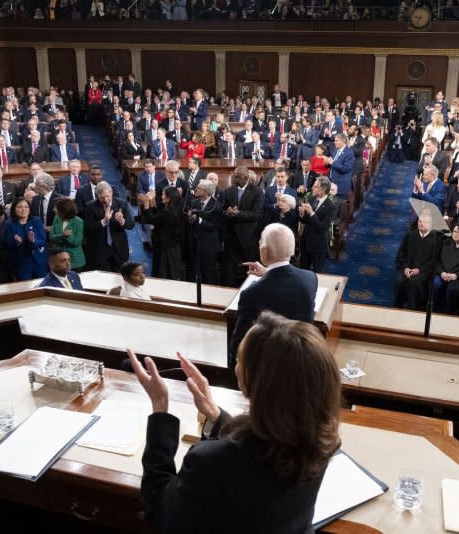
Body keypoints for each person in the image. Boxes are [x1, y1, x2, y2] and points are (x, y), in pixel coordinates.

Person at [129, 310, 341, 533]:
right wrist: (216, 415)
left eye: (240, 359)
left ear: (255, 382)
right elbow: (259, 446)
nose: (235, 366)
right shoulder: (323, 436)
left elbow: (161, 514)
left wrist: (160, 408)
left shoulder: (210, 462)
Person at [230, 223, 317, 365]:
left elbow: (238, 345)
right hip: (302, 360)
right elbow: (286, 283)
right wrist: (268, 272)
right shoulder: (310, 278)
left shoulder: (251, 293)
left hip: (268, 368)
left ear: (264, 251)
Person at [84, 181, 135, 272]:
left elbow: (131, 224)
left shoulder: (122, 204)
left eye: (107, 196)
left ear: (111, 192)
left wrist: (122, 221)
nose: (106, 200)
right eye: (102, 197)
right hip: (99, 250)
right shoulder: (90, 206)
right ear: (97, 195)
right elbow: (88, 227)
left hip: (119, 248)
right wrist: (104, 221)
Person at [394, 214, 440, 311]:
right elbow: (401, 254)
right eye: (420, 221)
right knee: (399, 281)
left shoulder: (436, 239)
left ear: (431, 225)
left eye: (425, 222)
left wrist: (419, 270)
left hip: (424, 271)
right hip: (407, 268)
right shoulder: (410, 235)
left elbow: (434, 260)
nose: (421, 224)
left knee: (415, 282)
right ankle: (397, 307)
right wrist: (405, 268)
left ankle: (414, 309)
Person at [141, 186, 185, 280]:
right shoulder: (177, 209)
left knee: (164, 274)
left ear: (168, 198)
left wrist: (146, 205)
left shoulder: (167, 212)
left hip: (165, 249)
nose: (162, 196)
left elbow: (151, 219)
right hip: (174, 247)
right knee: (172, 273)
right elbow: (157, 214)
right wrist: (152, 202)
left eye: (164, 194)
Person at [298, 177, 336, 273]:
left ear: (323, 189)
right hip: (306, 242)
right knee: (303, 271)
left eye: (315, 187)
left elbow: (323, 227)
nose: (312, 188)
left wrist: (311, 213)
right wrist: (302, 214)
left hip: (319, 245)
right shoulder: (312, 199)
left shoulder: (331, 206)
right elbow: (305, 220)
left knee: (318, 273)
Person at [3, 199, 48, 281]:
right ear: (14, 209)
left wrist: (33, 241)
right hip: (21, 262)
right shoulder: (9, 224)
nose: (23, 209)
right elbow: (7, 243)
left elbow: (43, 240)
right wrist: (17, 243)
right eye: (20, 207)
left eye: (26, 207)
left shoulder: (36, 221)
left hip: (39, 261)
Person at [433, 223, 459, 314]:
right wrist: (441, 272)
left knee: (452, 289)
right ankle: (434, 310)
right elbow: (437, 261)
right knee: (436, 283)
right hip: (442, 274)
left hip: (457, 277)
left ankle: (448, 313)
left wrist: (456, 275)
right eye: (454, 231)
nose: (456, 234)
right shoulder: (444, 243)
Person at [49, 197, 86, 272]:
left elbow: (76, 242)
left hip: (75, 261)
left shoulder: (78, 222)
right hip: (59, 260)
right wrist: (63, 235)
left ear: (63, 210)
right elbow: (51, 237)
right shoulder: (56, 218)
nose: (54, 209)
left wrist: (68, 236)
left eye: (56, 208)